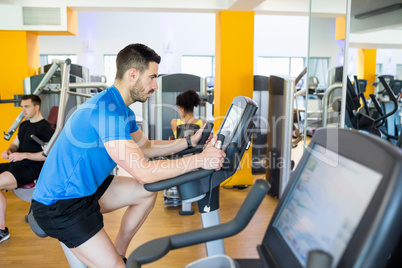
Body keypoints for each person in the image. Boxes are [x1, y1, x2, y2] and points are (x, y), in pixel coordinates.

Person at [31, 43, 226, 268]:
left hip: (88, 188)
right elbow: (144, 171)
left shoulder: (121, 108)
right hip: (61, 204)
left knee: (146, 193)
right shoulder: (107, 111)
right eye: (152, 77)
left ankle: (118, 252)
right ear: (132, 74)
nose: (155, 85)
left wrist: (188, 143)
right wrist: (201, 159)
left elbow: (146, 146)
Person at [0, 94, 54, 243]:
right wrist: (9, 150)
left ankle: (1, 230)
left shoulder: (45, 128)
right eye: (22, 106)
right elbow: (15, 144)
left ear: (36, 107)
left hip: (30, 168)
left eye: (27, 106)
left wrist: (24, 155)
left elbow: (48, 155)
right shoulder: (24, 125)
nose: (23, 109)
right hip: (15, 164)